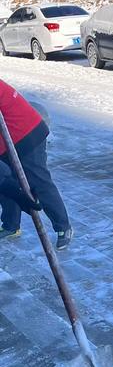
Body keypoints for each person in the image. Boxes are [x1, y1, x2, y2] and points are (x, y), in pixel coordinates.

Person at [0, 80, 73, 250]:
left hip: (26, 133)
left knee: (38, 182)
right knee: (5, 182)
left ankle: (64, 227)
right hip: (7, 142)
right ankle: (11, 225)